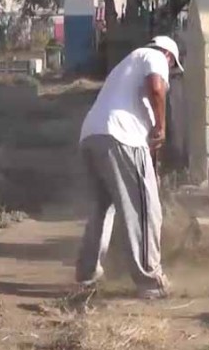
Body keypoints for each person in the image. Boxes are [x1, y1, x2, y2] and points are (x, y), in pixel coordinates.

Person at [76, 35, 183, 299]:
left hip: (92, 136)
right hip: (121, 137)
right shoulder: (155, 56)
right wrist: (162, 127)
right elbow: (156, 87)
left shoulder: (125, 65)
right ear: (169, 56)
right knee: (144, 209)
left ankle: (87, 273)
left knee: (102, 208)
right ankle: (150, 281)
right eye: (172, 69)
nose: (170, 75)